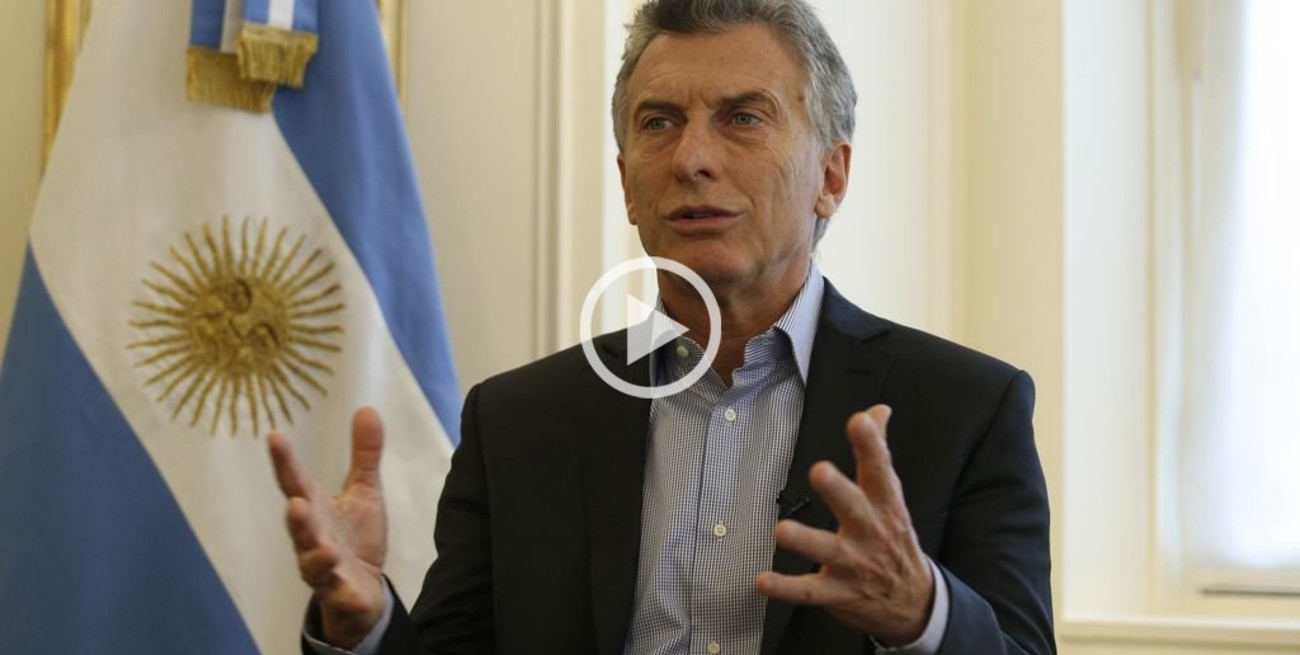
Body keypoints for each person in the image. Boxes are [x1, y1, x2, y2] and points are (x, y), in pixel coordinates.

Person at [268, 0, 1055, 653]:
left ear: (831, 174)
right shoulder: (517, 421)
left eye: (742, 117)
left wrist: (923, 615)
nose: (691, 158)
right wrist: (364, 624)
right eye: (659, 123)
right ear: (627, 187)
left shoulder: (964, 408)